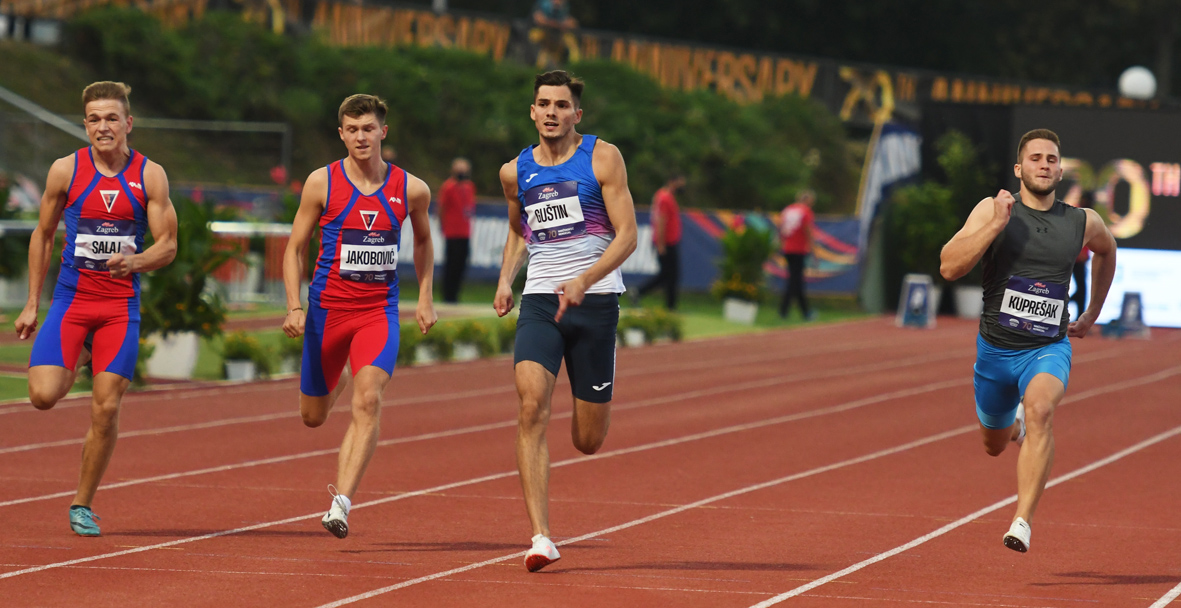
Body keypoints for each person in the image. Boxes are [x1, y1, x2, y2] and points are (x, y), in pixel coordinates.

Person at [939, 129, 1116, 553]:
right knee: (994, 444)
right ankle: (1012, 427)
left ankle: (1022, 521)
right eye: (1035, 158)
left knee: (1041, 409)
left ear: (1060, 171)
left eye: (1051, 159)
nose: (1044, 165)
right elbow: (949, 267)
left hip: (1047, 349)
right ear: (1019, 169)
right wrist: (996, 225)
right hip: (995, 353)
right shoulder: (994, 209)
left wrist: (1092, 312)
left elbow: (1108, 251)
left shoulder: (1082, 221)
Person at [15, 81, 179, 536]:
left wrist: (136, 262)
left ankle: (82, 504)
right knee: (43, 396)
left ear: (128, 123)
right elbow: (43, 234)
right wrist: (31, 303)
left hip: (119, 308)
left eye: (111, 118)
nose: (103, 127)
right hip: (71, 301)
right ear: (85, 124)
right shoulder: (65, 170)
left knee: (105, 408)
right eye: (93, 119)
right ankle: (82, 352)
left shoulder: (150, 175)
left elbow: (168, 245)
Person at [493, 70, 637, 572]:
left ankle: (602, 367)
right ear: (532, 111)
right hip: (539, 301)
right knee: (531, 405)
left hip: (594, 303)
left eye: (561, 104)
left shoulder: (602, 157)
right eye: (543, 104)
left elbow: (627, 235)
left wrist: (585, 280)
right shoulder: (514, 172)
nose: (551, 112)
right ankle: (541, 537)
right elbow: (520, 231)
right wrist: (506, 279)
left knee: (587, 441)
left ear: (578, 113)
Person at [282, 94, 437, 540]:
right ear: (341, 134)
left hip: (377, 312)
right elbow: (295, 248)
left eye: (368, 128)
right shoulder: (321, 183)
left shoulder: (412, 189)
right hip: (327, 313)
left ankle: (341, 504)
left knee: (369, 400)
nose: (361, 137)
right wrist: (294, 305)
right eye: (352, 130)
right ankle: (345, 373)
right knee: (313, 416)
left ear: (383, 131)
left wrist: (425, 297)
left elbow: (423, 242)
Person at [634, 173, 684, 310]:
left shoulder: (665, 196)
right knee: (669, 275)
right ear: (672, 181)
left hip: (669, 241)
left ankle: (641, 293)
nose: (682, 187)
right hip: (666, 242)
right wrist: (661, 244)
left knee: (668, 275)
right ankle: (668, 305)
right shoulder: (665, 197)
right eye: (680, 183)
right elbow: (661, 220)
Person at [438, 157, 476, 304]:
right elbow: (441, 208)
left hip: (465, 232)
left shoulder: (469, 187)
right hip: (452, 232)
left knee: (461, 263)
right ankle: (448, 295)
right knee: (451, 264)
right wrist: (443, 226)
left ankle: (456, 294)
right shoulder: (448, 187)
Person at [778, 189, 815, 320]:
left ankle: (804, 311)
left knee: (796, 281)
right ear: (807, 200)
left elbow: (782, 228)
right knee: (795, 281)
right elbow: (808, 230)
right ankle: (785, 310)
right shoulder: (805, 211)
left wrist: (781, 243)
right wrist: (813, 250)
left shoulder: (788, 210)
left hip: (788, 249)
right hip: (799, 249)